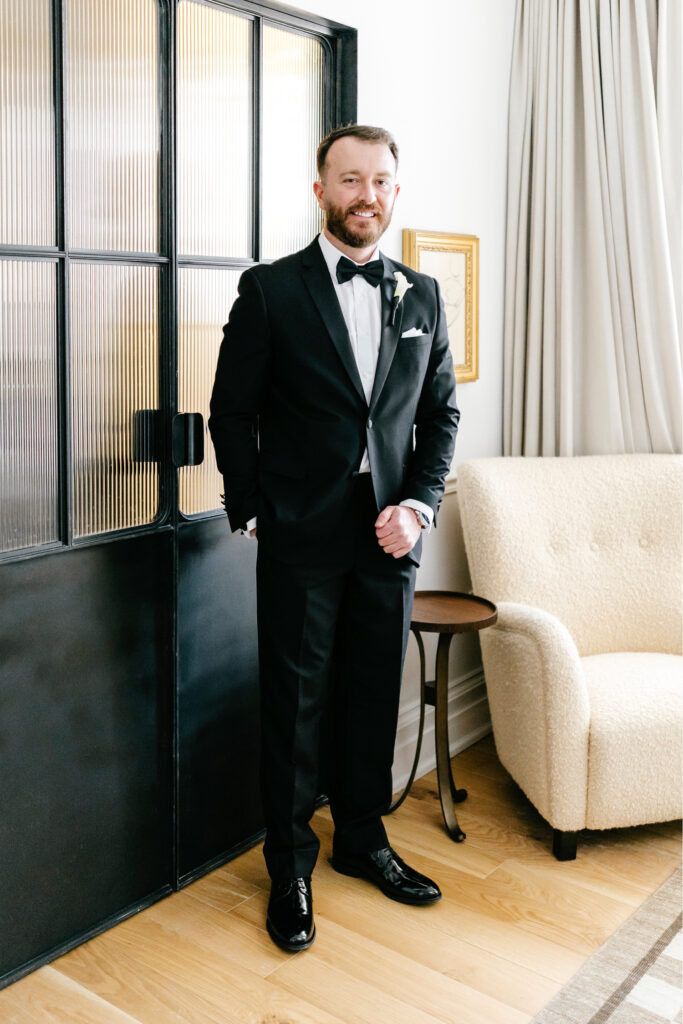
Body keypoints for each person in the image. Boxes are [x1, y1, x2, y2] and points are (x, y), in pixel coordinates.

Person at [209, 124, 459, 953]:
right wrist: (251, 510)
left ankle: (363, 839)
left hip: (389, 534)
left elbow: (439, 417)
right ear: (320, 192)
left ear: (396, 189)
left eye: (381, 181)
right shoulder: (271, 289)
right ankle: (290, 867)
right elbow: (233, 410)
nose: (367, 196)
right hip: (299, 531)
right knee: (295, 703)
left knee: (368, 692)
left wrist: (417, 506)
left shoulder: (420, 295)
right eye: (349, 181)